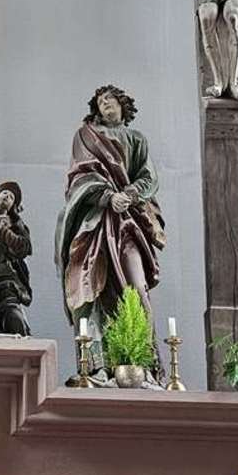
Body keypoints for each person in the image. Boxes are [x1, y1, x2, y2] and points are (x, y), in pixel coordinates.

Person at [55, 84, 165, 372]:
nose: (105, 104)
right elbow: (79, 177)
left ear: (122, 106)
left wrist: (129, 194)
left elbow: (149, 176)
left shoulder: (136, 139)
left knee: (135, 286)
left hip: (128, 223)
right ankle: (97, 365)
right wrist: (106, 196)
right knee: (93, 286)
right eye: (101, 101)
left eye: (110, 100)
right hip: (95, 223)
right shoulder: (86, 136)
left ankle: (143, 362)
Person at [0, 181, 32, 336]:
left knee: (13, 317)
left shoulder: (15, 225)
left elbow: (24, 247)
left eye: (12, 197)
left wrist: (5, 231)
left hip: (3, 278)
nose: (7, 196)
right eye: (5, 193)